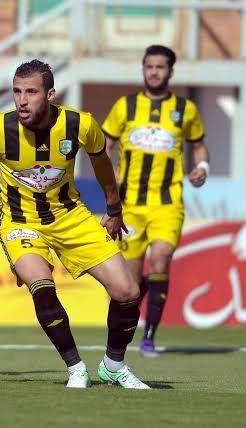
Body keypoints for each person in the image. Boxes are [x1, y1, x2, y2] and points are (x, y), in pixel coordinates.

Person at [0, 59, 150, 389]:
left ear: (51, 95)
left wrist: (114, 208)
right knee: (42, 286)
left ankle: (113, 365)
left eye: (31, 92)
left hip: (71, 216)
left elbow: (102, 163)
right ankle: (75, 368)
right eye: (17, 92)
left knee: (128, 291)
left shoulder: (80, 124)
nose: (21, 100)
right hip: (20, 221)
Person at [102, 45, 209, 358]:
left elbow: (199, 146)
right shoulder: (126, 107)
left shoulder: (185, 110)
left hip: (167, 203)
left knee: (162, 257)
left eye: (160, 67)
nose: (154, 72)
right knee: (131, 283)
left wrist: (202, 167)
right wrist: (111, 177)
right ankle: (128, 329)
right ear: (143, 69)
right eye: (149, 66)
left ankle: (149, 337)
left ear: (171, 71)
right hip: (130, 207)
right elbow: (105, 145)